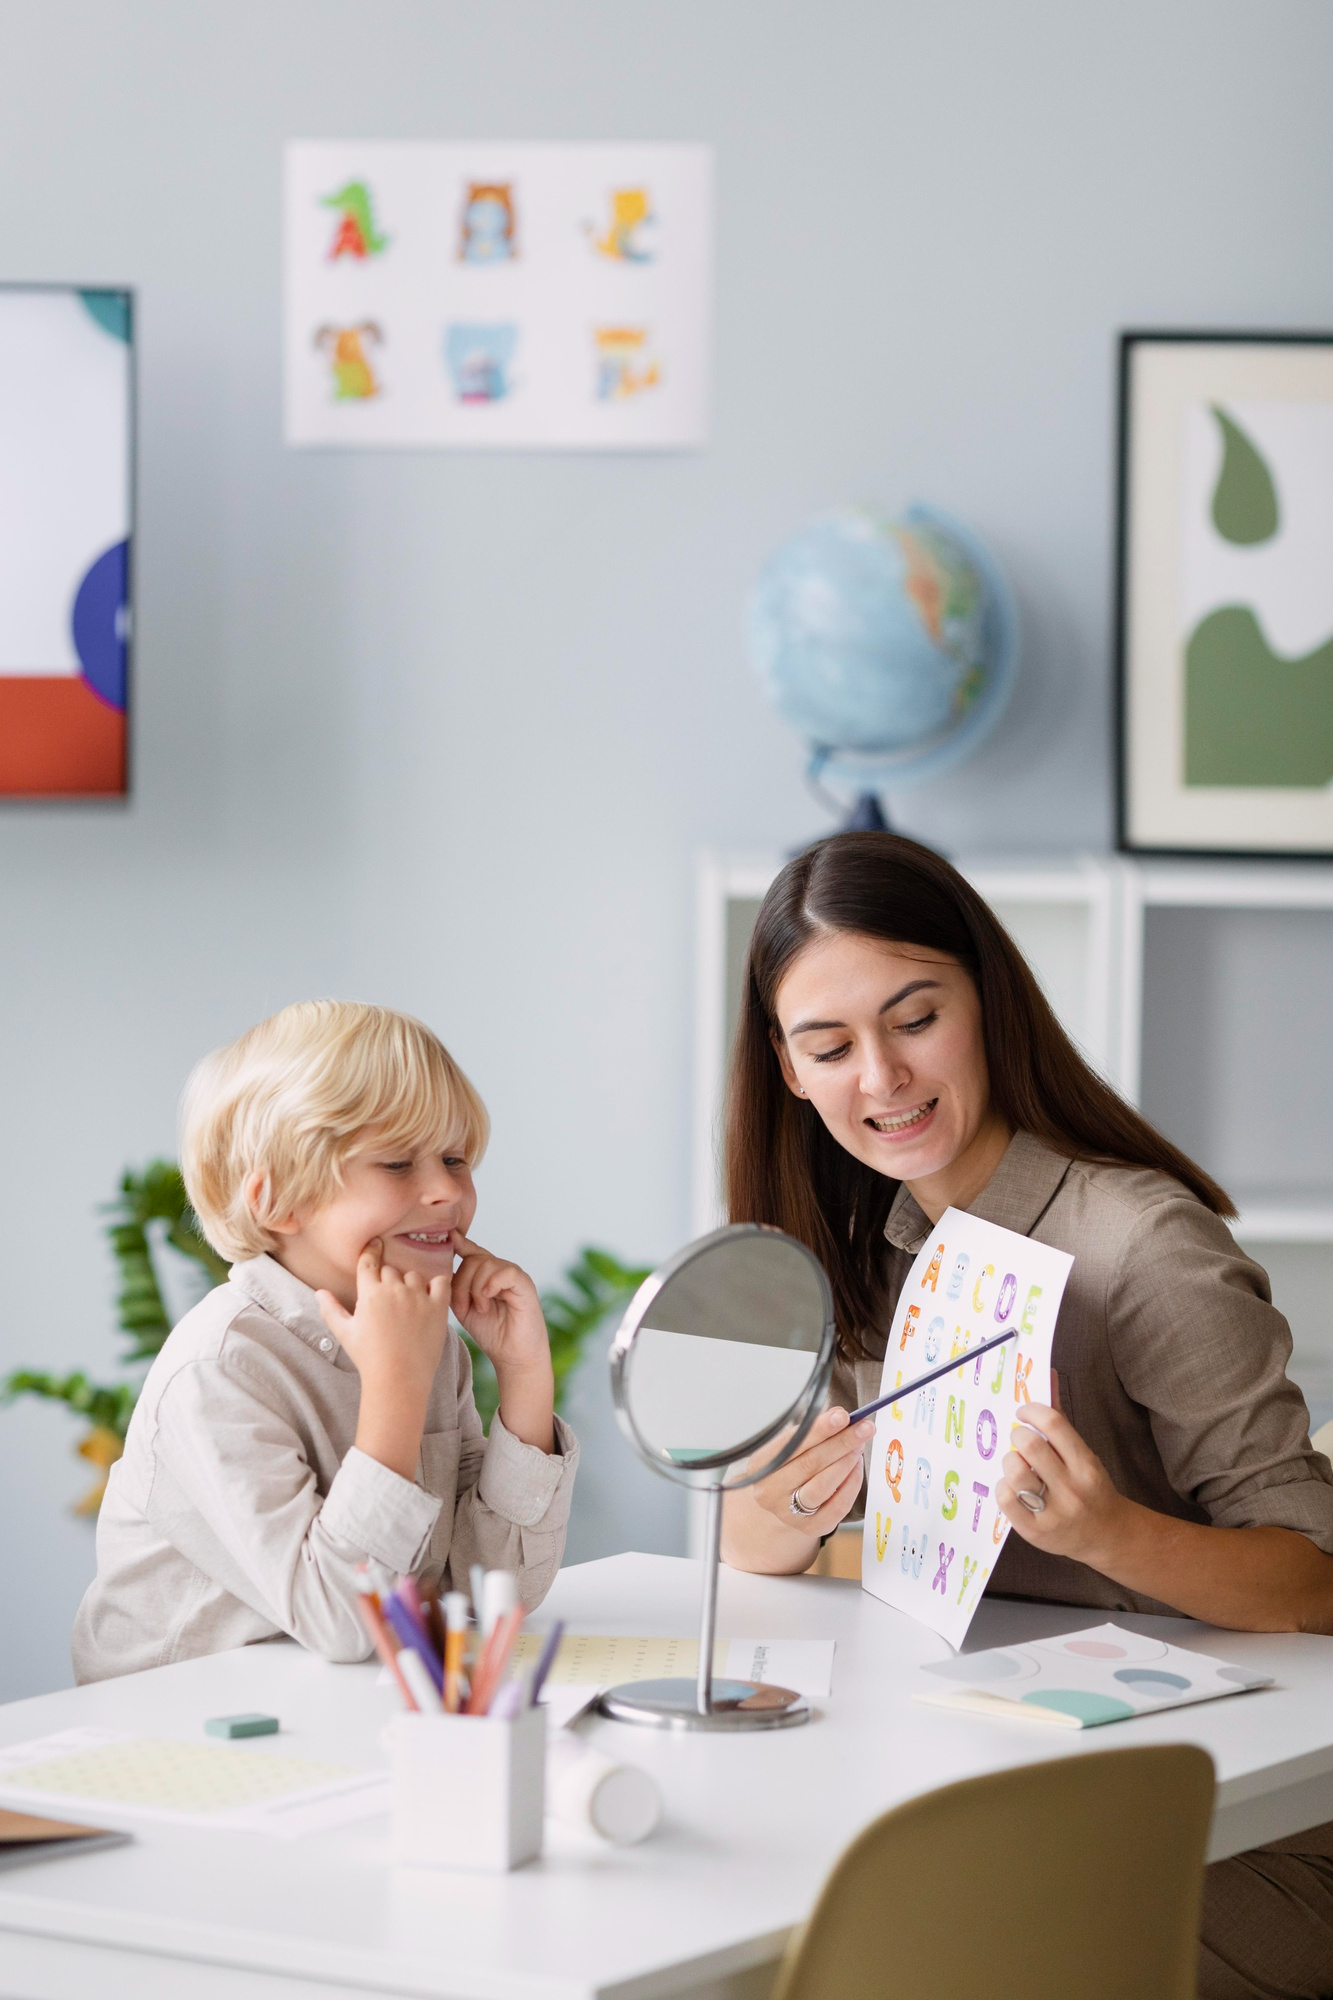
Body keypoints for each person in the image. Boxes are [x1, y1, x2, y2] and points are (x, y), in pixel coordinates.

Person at [721, 830, 1333, 2000]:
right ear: (788, 1069)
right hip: (1001, 1750)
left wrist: (1110, 1532)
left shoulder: (1143, 1249)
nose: (881, 1077)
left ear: (987, 1003)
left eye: (915, 1018)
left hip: (1235, 1816)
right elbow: (776, 1552)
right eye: (830, 1043)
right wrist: (779, 1516)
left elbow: (1312, 1580)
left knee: (861, 1939)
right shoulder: (876, 1249)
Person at [74, 1000, 576, 1683]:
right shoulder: (218, 1369)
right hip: (177, 1730)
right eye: (397, 1163)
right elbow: (347, 1620)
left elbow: (491, 1594)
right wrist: (395, 1388)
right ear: (277, 1203)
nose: (445, 1192)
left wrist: (522, 1376)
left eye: (455, 1158)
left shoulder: (428, 1340)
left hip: (331, 1707)